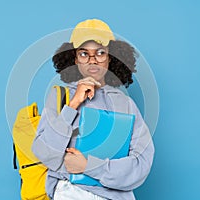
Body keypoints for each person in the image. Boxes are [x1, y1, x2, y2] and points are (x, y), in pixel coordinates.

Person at [32, 18, 154, 200]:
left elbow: (140, 165)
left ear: (110, 57)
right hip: (70, 192)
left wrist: (88, 166)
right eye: (83, 54)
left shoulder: (125, 104)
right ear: (74, 58)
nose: (92, 61)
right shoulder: (61, 97)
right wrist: (72, 105)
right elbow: (45, 154)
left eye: (100, 53)